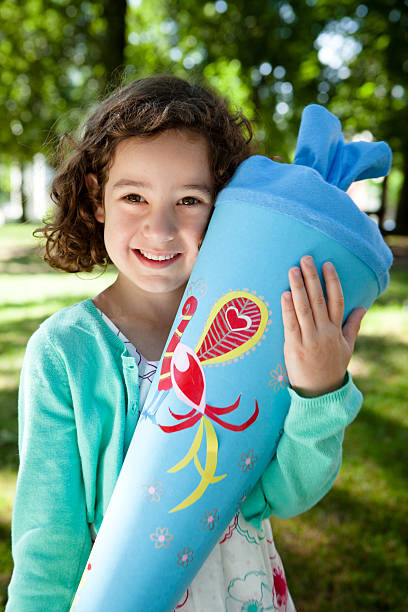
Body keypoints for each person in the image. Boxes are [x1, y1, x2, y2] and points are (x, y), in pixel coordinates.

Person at [6, 75, 365, 611]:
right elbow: (47, 542)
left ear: (225, 209)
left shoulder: (256, 330)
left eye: (190, 199)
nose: (161, 227)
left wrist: (320, 390)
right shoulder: (66, 353)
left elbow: (283, 495)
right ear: (97, 199)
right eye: (134, 196)